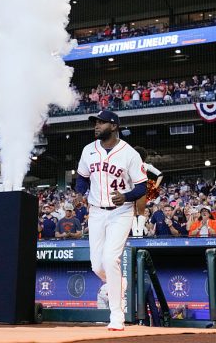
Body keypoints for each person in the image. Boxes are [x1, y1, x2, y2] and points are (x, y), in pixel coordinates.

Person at [75, 110, 147, 331]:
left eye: (101, 123)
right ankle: (120, 283)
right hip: (96, 212)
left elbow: (142, 187)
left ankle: (117, 315)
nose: (96, 126)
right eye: (95, 123)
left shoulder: (130, 154)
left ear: (114, 126)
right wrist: (79, 192)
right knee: (97, 265)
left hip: (121, 211)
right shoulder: (89, 150)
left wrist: (126, 196)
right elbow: (82, 178)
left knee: (110, 258)